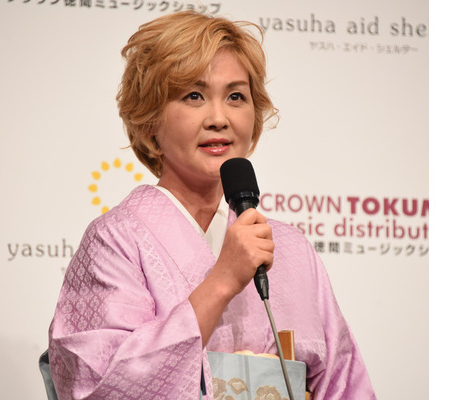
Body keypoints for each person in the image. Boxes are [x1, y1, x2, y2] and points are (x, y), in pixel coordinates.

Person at [48, 10, 376, 400]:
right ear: (150, 122)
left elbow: (344, 383)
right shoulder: (115, 241)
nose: (219, 118)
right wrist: (222, 280)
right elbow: (96, 386)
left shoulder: (290, 248)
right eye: (194, 96)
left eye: (236, 96)